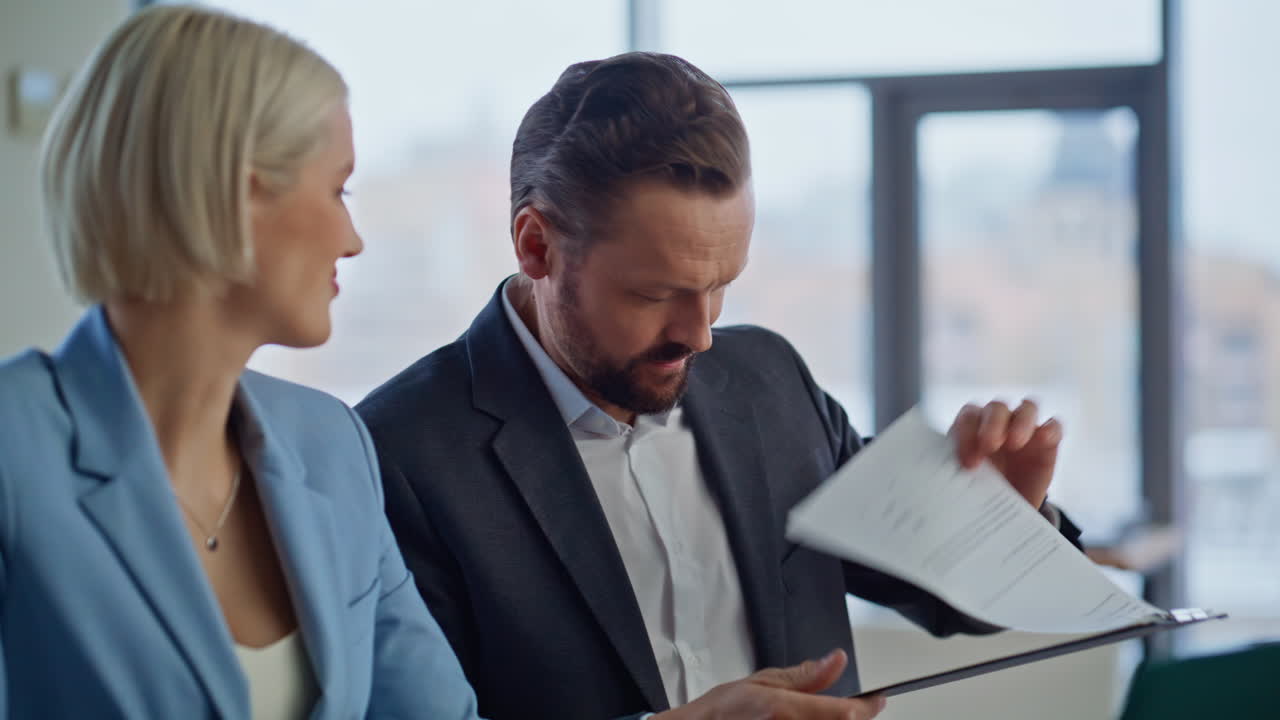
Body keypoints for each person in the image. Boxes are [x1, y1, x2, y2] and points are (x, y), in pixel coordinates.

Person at [356, 51, 1082, 720]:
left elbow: (947, 598)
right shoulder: (396, 457)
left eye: (721, 285)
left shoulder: (770, 380)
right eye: (655, 293)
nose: (700, 334)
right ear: (536, 245)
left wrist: (1000, 519)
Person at [0, 6, 480, 718]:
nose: (352, 239)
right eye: (338, 189)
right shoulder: (14, 450)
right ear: (241, 192)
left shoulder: (332, 444)